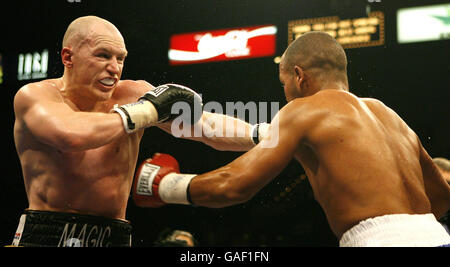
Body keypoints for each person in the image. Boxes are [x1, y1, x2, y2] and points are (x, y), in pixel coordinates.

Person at [134, 32, 450, 247]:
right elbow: (441, 198)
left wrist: (165, 185)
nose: (284, 94)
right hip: (437, 236)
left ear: (299, 76)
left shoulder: (302, 110)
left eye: (284, 83)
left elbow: (234, 185)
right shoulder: (388, 114)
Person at [11, 16, 261, 247]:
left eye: (120, 58)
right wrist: (147, 111)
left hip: (115, 235)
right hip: (46, 234)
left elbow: (205, 126)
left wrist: (267, 135)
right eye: (103, 55)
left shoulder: (133, 94)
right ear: (68, 58)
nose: (114, 67)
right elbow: (71, 134)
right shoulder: (35, 96)